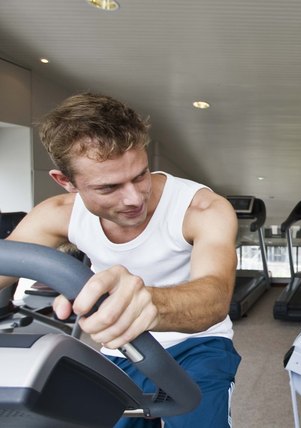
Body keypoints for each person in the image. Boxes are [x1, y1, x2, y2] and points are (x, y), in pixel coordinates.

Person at [0, 92, 241, 427]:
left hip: (199, 345)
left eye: (140, 175)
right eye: (108, 187)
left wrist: (147, 304)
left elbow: (214, 296)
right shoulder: (56, 215)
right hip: (120, 350)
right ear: (65, 182)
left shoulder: (201, 208)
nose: (133, 198)